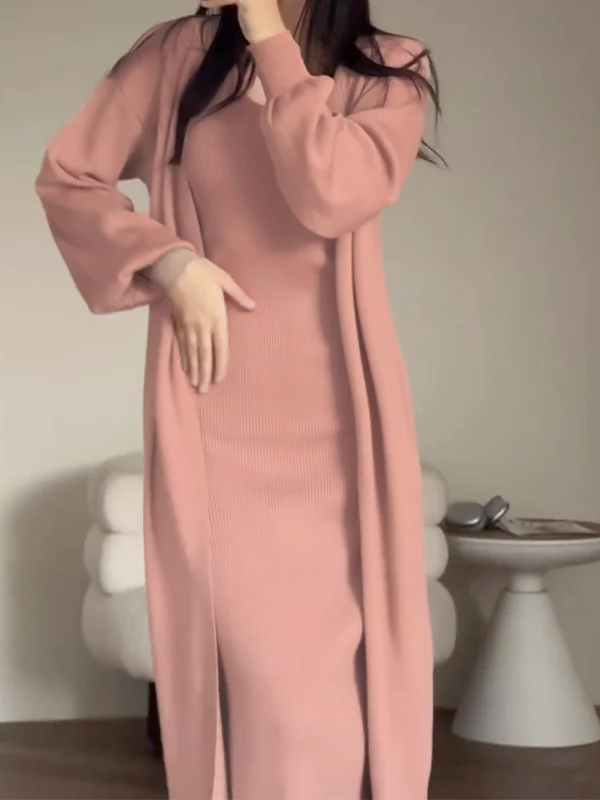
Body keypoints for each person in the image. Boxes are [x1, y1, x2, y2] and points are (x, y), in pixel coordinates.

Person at [35, 1, 441, 797]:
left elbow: (332, 194)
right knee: (267, 686)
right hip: (214, 414)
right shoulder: (173, 57)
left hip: (342, 433)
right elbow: (68, 177)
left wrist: (266, 37)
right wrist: (170, 263)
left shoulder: (391, 69)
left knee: (326, 702)